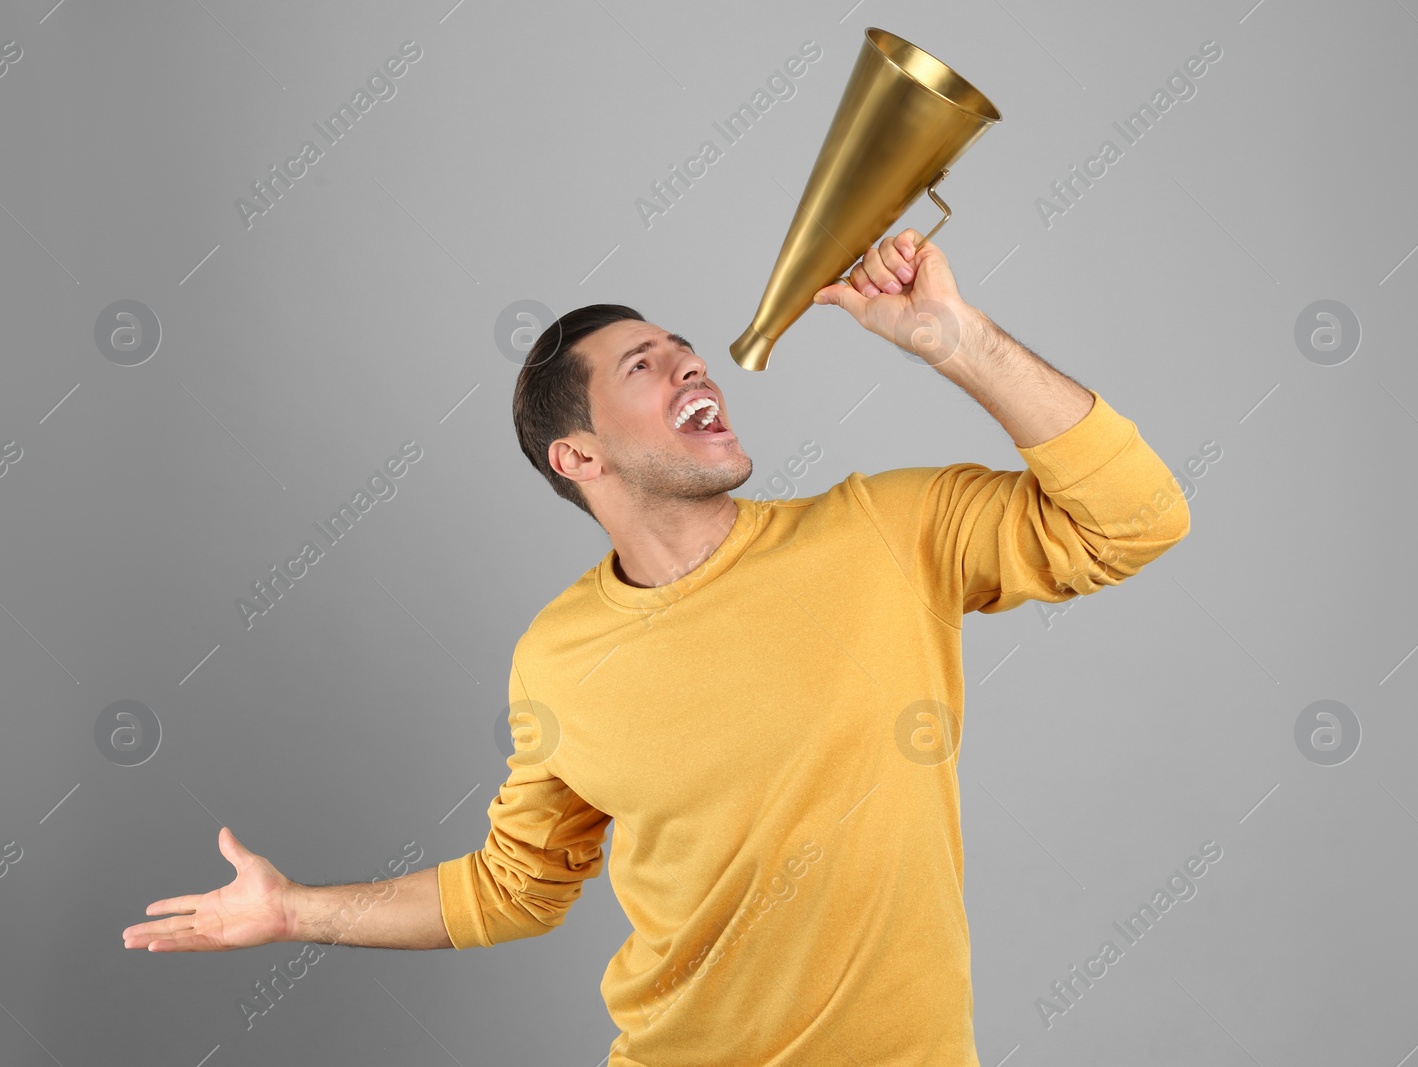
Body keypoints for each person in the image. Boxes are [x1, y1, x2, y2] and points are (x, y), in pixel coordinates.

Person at [123, 229, 1191, 1064]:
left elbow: (1135, 518)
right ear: (576, 452)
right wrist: (291, 908)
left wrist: (954, 338)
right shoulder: (555, 654)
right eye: (646, 364)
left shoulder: (883, 529)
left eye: (685, 349)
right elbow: (516, 884)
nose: (693, 366)